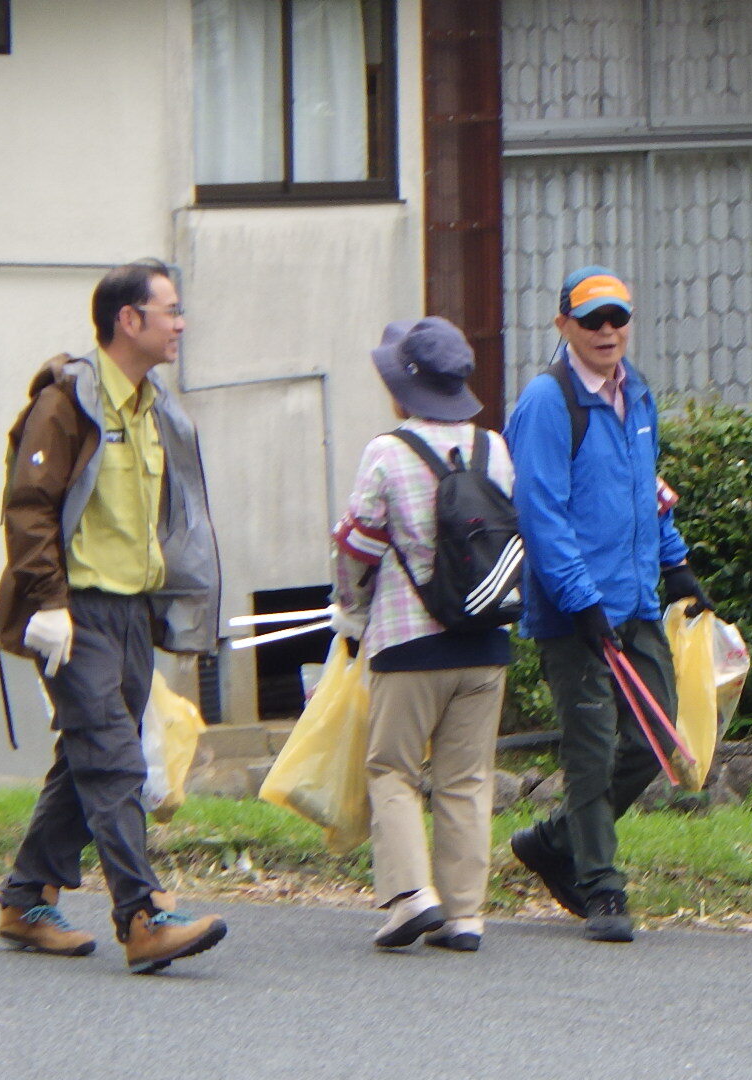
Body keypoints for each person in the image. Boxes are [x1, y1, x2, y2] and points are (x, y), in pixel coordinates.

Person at [0, 259, 228, 975]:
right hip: (77, 614)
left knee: (87, 757)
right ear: (131, 320)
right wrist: (51, 605)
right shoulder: (67, 403)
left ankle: (26, 898)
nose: (180, 323)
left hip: (130, 615)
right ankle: (142, 916)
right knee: (115, 759)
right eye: (170, 310)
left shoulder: (156, 408)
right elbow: (28, 508)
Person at [504, 266, 715, 943]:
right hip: (575, 612)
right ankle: (601, 887)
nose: (606, 331)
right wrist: (581, 602)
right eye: (591, 319)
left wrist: (675, 562)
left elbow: (646, 487)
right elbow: (541, 513)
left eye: (617, 318)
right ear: (564, 325)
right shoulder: (547, 401)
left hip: (636, 600)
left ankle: (553, 841)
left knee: (657, 740)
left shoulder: (637, 392)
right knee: (592, 748)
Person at [331, 316, 515, 952]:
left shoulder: (388, 451)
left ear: (402, 388)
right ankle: (466, 915)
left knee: (393, 770)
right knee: (468, 778)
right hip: (487, 639)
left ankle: (412, 897)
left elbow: (358, 544)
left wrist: (348, 608)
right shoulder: (495, 448)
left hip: (409, 641)